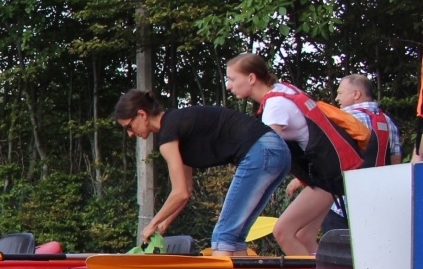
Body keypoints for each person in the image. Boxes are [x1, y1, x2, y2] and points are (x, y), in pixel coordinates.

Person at [225, 53, 372, 257]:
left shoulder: (275, 108)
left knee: (283, 232)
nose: (228, 86)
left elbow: (266, 156)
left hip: (327, 178)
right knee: (303, 237)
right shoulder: (283, 89)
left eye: (232, 79)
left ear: (251, 78)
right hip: (334, 172)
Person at [113, 90, 291, 254]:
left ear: (142, 114)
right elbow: (187, 189)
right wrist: (163, 224)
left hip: (260, 151)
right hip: (279, 151)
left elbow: (179, 193)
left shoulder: (168, 135)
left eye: (129, 126)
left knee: (223, 237)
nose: (129, 134)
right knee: (234, 237)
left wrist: (151, 224)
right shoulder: (177, 126)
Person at [323, 74, 402, 231]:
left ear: (356, 94)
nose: (337, 99)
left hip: (344, 206)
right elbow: (396, 163)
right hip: (380, 203)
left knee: (337, 254)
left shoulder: (344, 120)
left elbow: (329, 159)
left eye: (340, 93)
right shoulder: (388, 121)